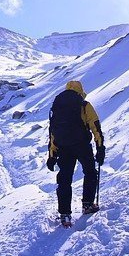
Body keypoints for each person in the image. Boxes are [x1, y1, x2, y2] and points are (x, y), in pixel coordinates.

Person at [46, 80, 105, 227]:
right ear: (80, 91)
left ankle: (65, 214)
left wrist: (51, 155)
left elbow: (53, 133)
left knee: (65, 179)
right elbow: (95, 126)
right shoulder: (84, 105)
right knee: (90, 172)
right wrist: (100, 148)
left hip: (63, 147)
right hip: (82, 145)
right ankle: (87, 204)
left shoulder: (57, 106)